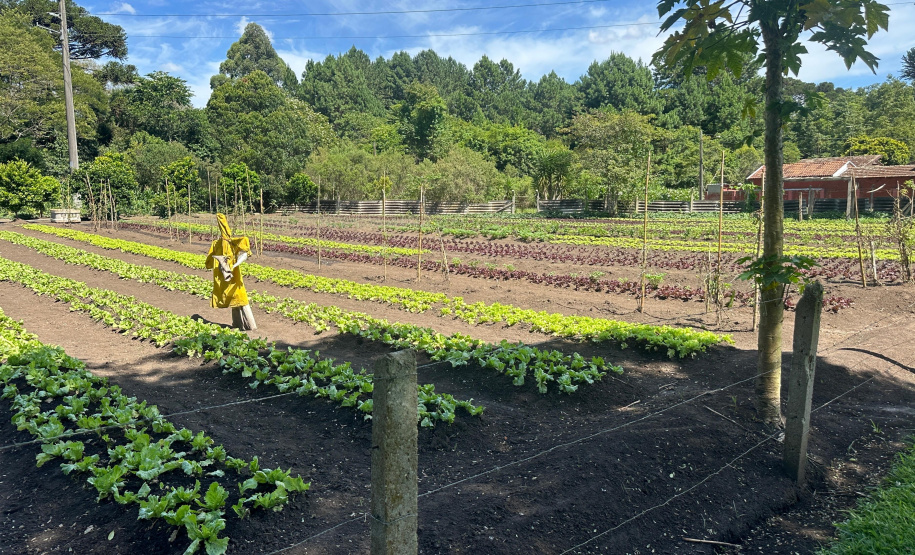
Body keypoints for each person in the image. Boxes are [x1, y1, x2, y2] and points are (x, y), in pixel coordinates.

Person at [205, 213, 257, 330]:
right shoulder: (229, 242)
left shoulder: (218, 243)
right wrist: (234, 265)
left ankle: (242, 325)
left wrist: (232, 265)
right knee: (240, 298)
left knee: (237, 299)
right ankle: (247, 326)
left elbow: (208, 263)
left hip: (224, 277)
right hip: (233, 276)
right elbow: (245, 248)